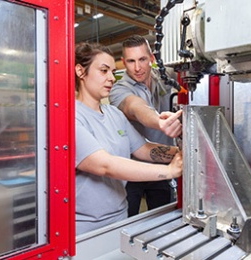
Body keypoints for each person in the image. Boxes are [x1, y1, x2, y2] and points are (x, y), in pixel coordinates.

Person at [74, 42, 182, 235]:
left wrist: (187, 152)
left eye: (113, 72)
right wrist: (170, 171)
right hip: (86, 227)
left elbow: (144, 149)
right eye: (103, 71)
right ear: (80, 71)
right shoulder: (71, 117)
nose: (111, 78)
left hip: (120, 219)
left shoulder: (114, 114)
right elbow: (105, 165)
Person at [109, 35, 182, 217]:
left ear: (151, 58)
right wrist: (159, 121)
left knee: (164, 219)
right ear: (123, 62)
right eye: (131, 61)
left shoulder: (164, 78)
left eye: (142, 59)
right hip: (132, 170)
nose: (137, 67)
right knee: (129, 222)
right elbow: (135, 107)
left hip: (162, 166)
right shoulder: (119, 89)